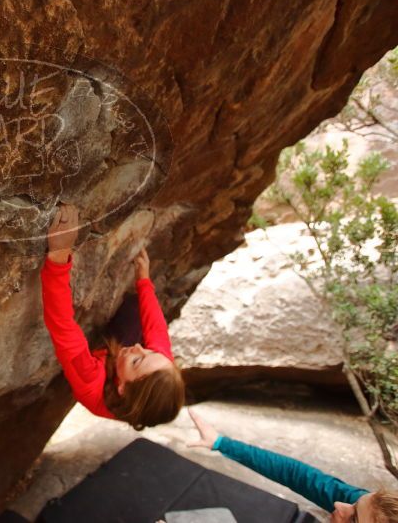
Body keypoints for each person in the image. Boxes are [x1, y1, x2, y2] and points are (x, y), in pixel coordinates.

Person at [41, 203, 184, 429]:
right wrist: (144, 280)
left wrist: (59, 256)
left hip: (99, 370)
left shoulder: (91, 383)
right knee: (134, 310)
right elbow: (156, 328)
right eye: (149, 351)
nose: (139, 346)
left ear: (122, 388)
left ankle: (105, 347)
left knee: (92, 348)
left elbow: (62, 325)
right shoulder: (157, 367)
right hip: (116, 366)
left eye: (139, 360)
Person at [187, 408, 398, 523]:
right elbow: (296, 474)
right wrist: (222, 443)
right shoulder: (366, 509)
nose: (339, 505)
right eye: (355, 502)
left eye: (353, 519)